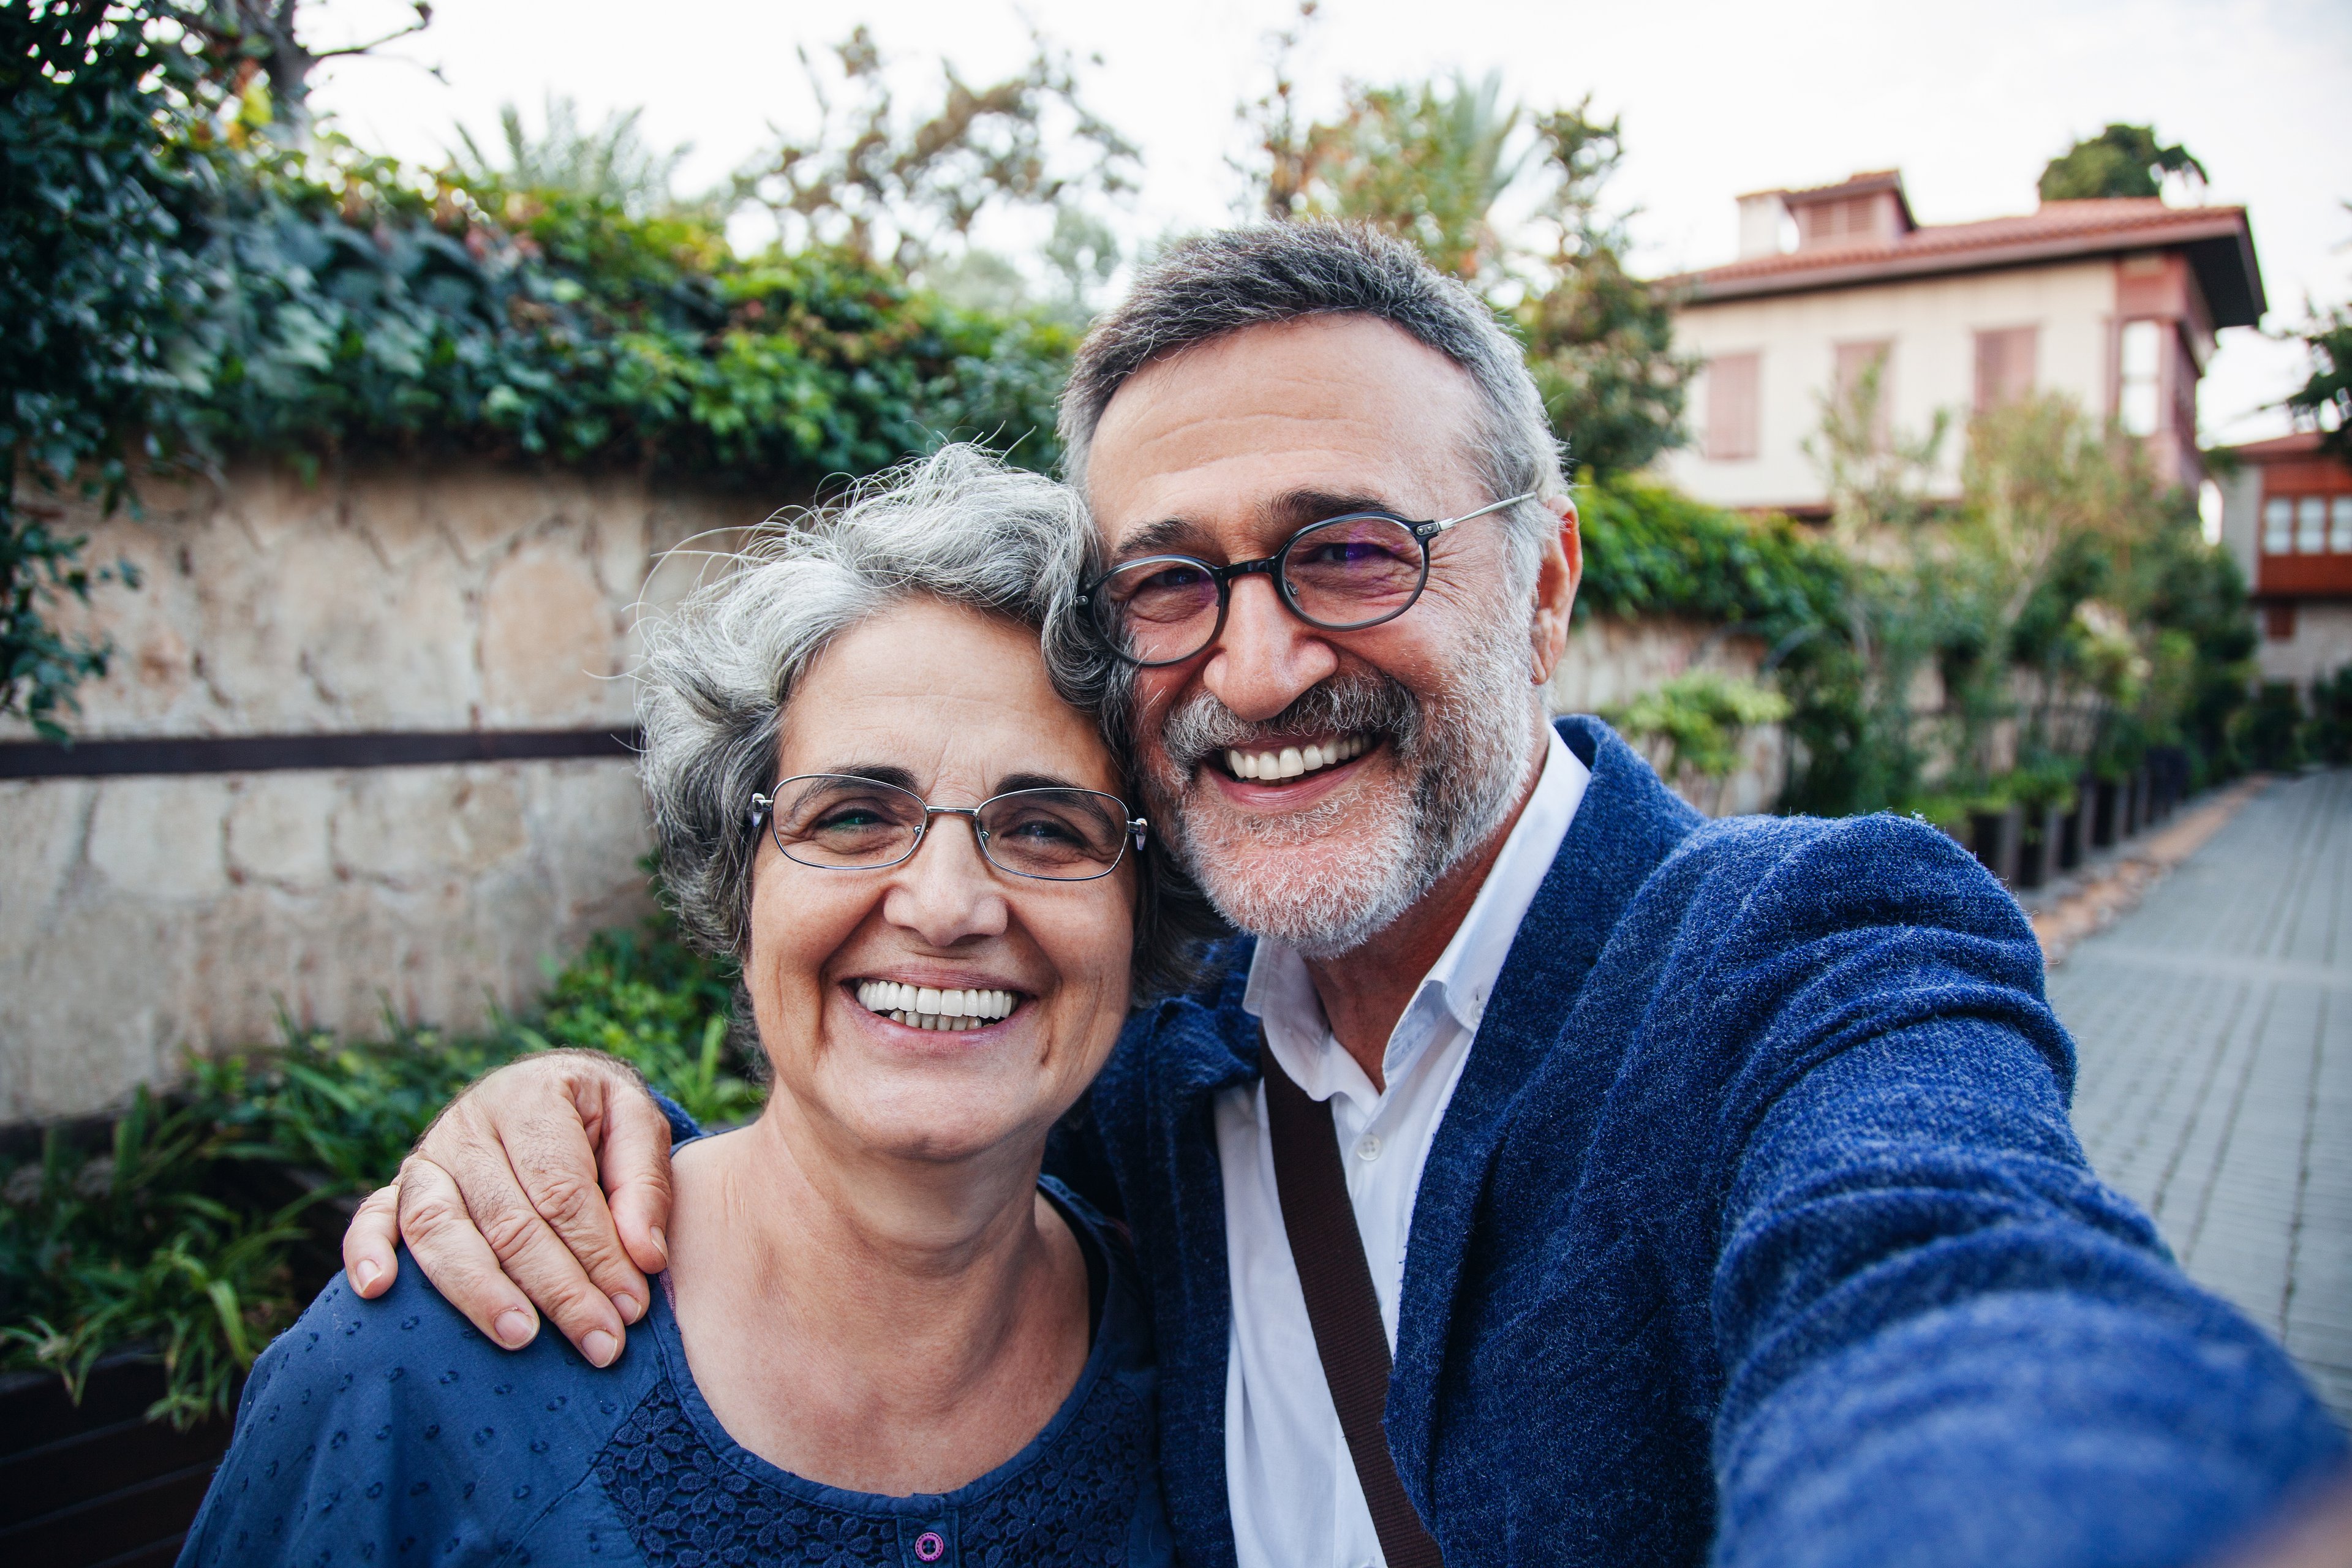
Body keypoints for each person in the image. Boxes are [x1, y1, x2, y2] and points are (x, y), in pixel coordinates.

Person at [341, 225, 2348, 1567]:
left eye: (1352, 553)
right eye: (1173, 585)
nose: (1264, 662)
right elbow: (883, 1163)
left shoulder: (1803, 956)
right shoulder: (1154, 1064)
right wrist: (577, 1131)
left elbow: (1944, 1278)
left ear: (1546, 582)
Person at [181, 448, 1186, 1567]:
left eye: (1049, 829)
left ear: (1143, 909)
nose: (946, 904)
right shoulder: (423, 1366)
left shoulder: (1207, 1357)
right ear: (737, 875)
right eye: (852, 816)